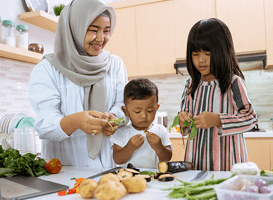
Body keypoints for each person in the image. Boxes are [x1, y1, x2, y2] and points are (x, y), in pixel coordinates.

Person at [28, 0, 128, 168]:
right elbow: (45, 125)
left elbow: (123, 106)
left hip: (109, 167)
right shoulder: (47, 69)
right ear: (74, 28)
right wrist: (75, 122)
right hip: (64, 169)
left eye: (106, 31)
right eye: (93, 30)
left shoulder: (115, 65)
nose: (100, 39)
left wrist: (115, 118)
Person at [177, 18, 258, 171]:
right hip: (196, 162)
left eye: (207, 53)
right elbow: (185, 123)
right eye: (195, 54)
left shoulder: (233, 83)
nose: (201, 60)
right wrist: (183, 120)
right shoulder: (190, 84)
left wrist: (217, 119)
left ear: (223, 51)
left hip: (227, 163)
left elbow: (250, 118)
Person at [109, 78, 172, 168]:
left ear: (156, 108)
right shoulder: (122, 132)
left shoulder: (160, 130)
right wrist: (130, 147)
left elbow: (167, 158)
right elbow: (117, 159)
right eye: (137, 111)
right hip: (129, 178)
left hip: (154, 178)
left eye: (150, 111)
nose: (144, 116)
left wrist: (159, 146)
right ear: (125, 111)